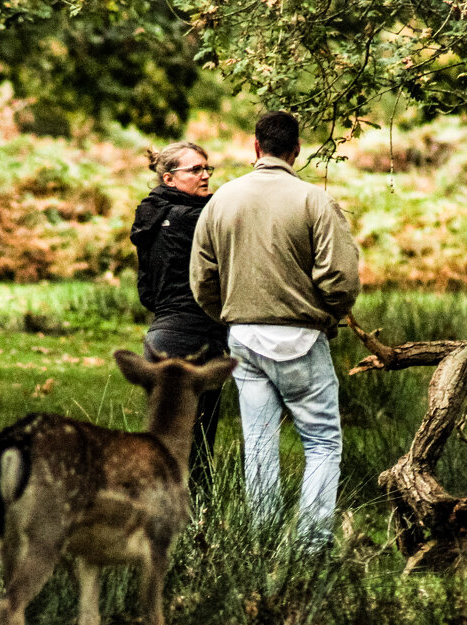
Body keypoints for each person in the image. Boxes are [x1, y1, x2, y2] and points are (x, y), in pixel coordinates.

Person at [190, 111, 360, 554]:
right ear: (297, 149)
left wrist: (230, 315)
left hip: (243, 338)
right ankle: (310, 544)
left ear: (255, 147)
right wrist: (330, 314)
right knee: (322, 441)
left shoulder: (221, 200)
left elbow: (202, 279)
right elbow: (339, 278)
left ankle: (262, 540)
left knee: (259, 442)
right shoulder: (314, 200)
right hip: (301, 336)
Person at [130, 141, 227, 489]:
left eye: (206, 168)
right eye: (195, 170)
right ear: (169, 178)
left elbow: (147, 292)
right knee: (197, 452)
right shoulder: (196, 217)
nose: (205, 175)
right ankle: (198, 528)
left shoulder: (150, 216)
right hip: (195, 339)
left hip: (160, 337)